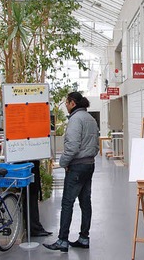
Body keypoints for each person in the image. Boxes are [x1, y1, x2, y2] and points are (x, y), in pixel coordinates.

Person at [43, 92, 99, 253]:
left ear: (73, 103)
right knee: (85, 202)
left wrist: (63, 162)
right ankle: (83, 238)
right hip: (89, 165)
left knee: (67, 203)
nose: (65, 106)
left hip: (77, 167)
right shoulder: (91, 119)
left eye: (66, 103)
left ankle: (62, 240)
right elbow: (95, 146)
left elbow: (73, 146)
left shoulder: (76, 119)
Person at [21, 159, 52, 237]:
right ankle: (34, 228)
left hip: (29, 165)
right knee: (31, 197)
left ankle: (35, 227)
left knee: (31, 197)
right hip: (27, 166)